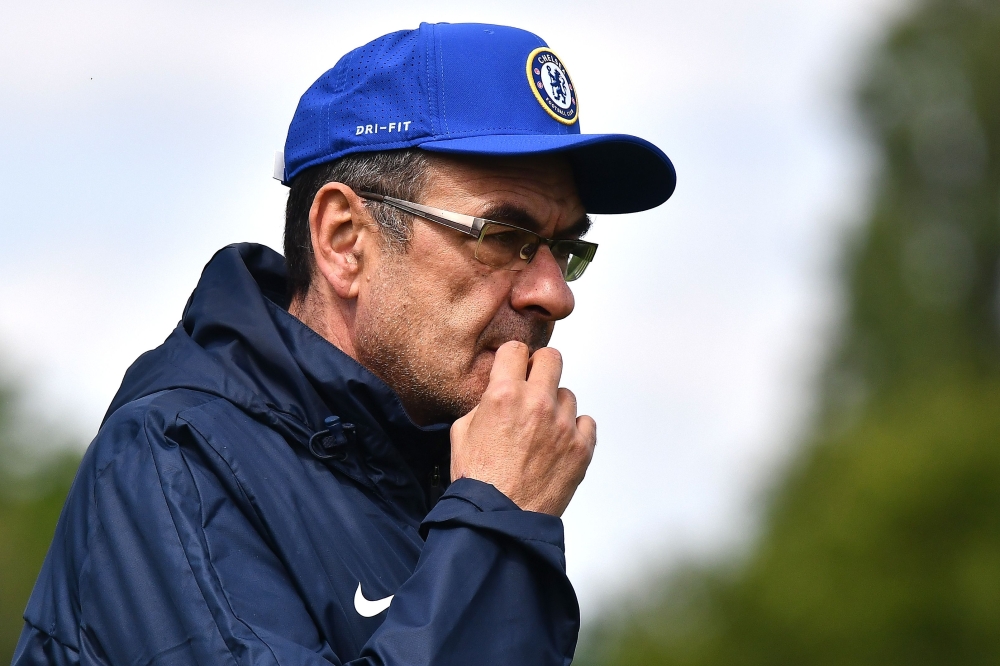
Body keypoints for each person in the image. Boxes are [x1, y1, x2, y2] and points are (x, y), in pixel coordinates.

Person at [14, 22, 675, 665]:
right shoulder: (171, 463)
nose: (554, 294)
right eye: (502, 237)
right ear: (342, 241)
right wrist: (495, 528)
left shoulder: (447, 478)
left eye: (565, 249)